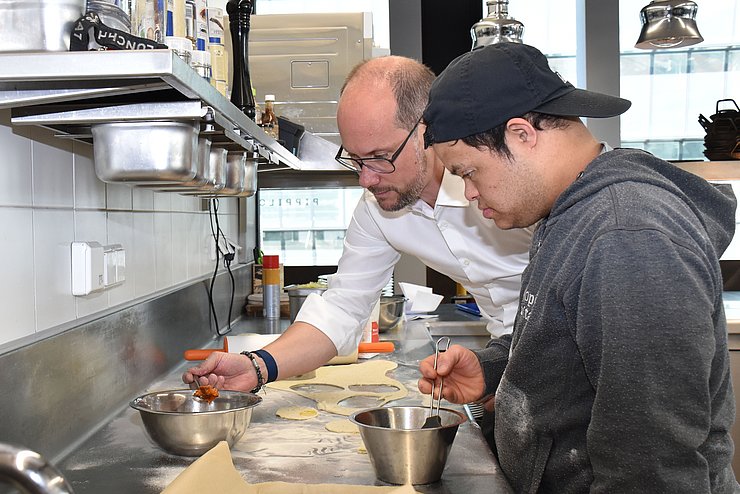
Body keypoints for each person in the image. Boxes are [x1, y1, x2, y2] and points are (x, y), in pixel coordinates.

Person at [418, 42, 738, 492]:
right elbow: (568, 336)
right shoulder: (571, 214)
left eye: (468, 172)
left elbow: (651, 465)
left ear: (521, 134)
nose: (469, 193)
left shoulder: (625, 235)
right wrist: (491, 367)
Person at [182, 56, 532, 397]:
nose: (366, 179)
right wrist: (257, 366)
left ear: (428, 130)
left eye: (380, 158)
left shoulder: (507, 182)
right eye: (355, 158)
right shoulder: (378, 209)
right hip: (507, 356)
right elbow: (343, 308)